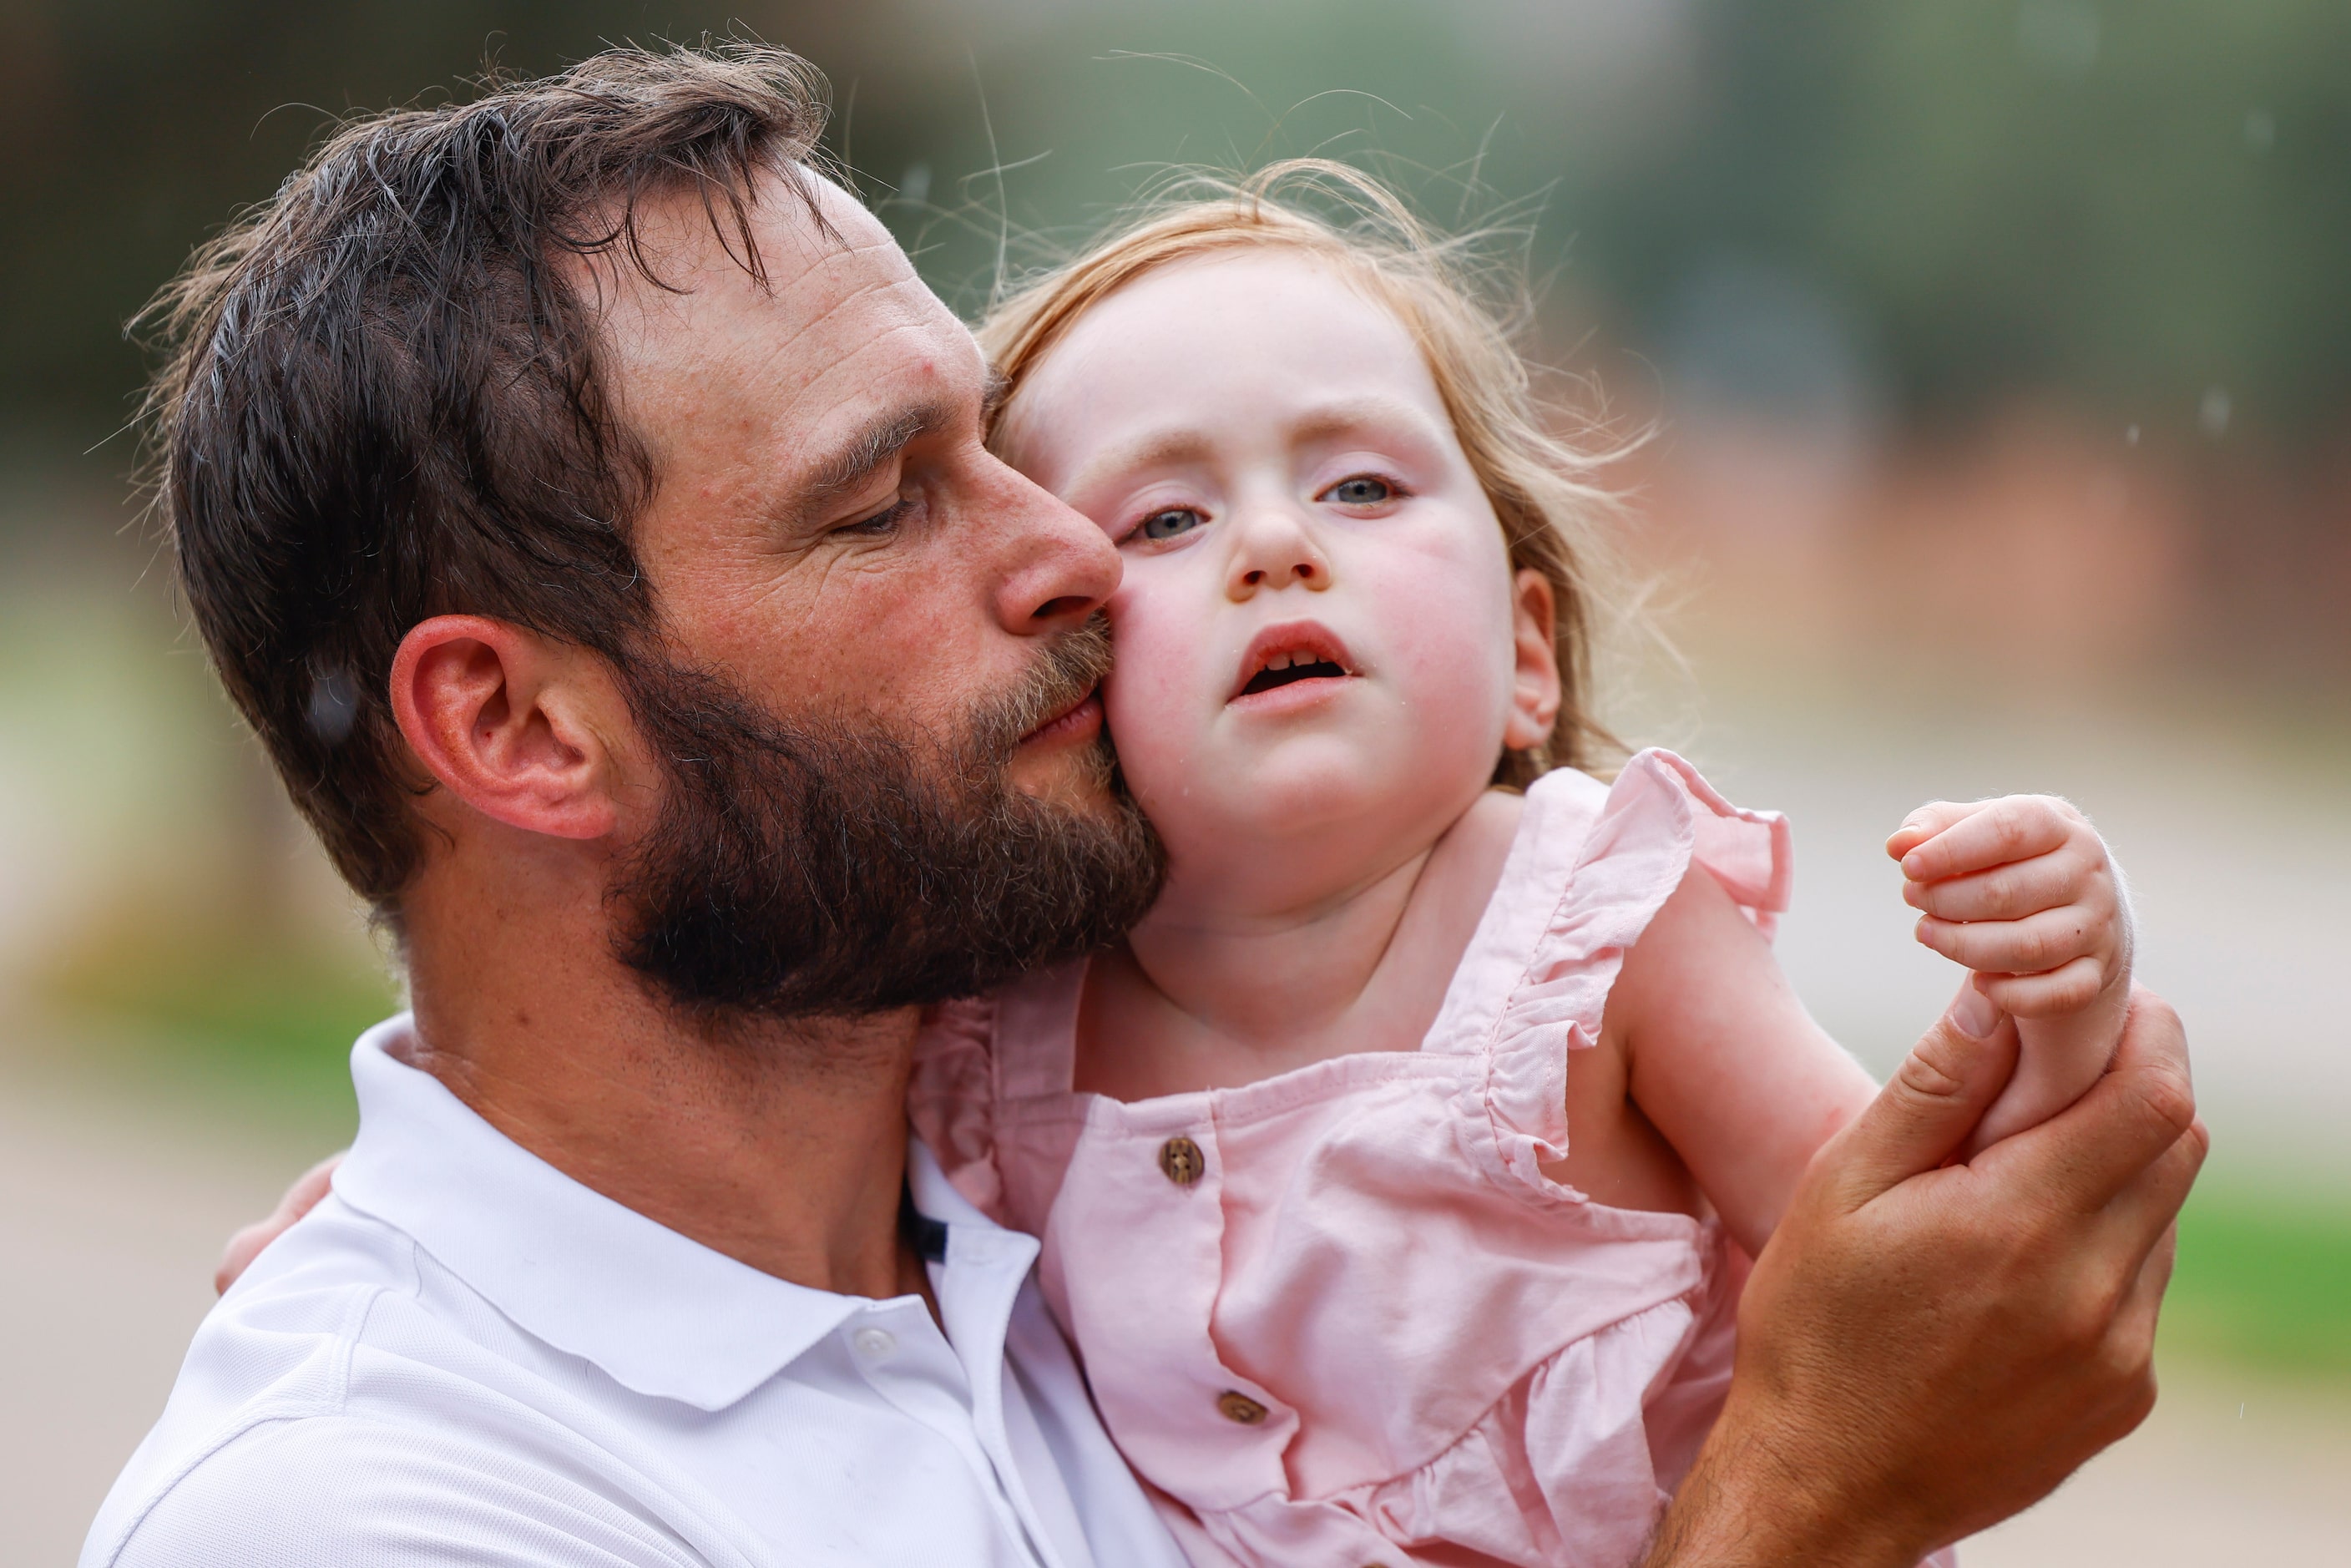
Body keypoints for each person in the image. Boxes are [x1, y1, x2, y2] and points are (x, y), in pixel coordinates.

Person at [91, 43, 2202, 1568]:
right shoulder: (381, 1507)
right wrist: (1812, 1501)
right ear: (528, 735)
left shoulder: (992, 1180)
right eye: (885, 498)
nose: (1086, 562)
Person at [895, 164, 2130, 1567]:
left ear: (1526, 657)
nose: (1278, 546)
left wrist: (2061, 974)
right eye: (1167, 520)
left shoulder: (1589, 933)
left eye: (1361, 484)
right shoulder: (993, 1041)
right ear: (1058, 687)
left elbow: (1931, 1254)